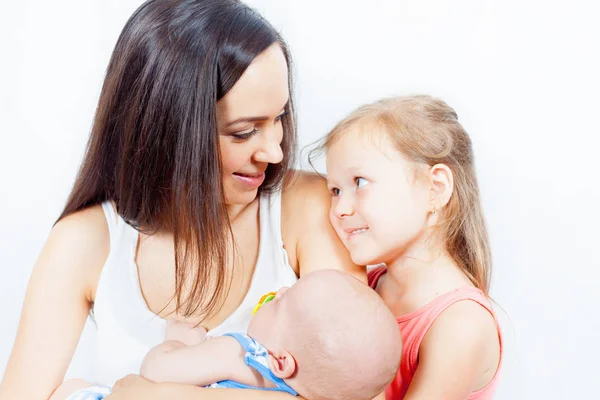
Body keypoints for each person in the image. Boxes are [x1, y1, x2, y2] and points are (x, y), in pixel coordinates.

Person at [0, 1, 365, 399]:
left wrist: (145, 394)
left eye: (279, 118)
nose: (275, 153)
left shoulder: (308, 208)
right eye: (244, 132)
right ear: (166, 131)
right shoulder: (85, 243)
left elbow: (360, 391)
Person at [322, 95, 503, 399]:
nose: (340, 208)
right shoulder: (364, 284)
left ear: (436, 189)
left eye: (360, 183)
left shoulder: (461, 324)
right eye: (335, 190)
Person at [54, 270, 401, 400]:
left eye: (283, 303)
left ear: (281, 362)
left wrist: (179, 340)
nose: (279, 291)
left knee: (70, 388)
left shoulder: (244, 355)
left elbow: (157, 372)